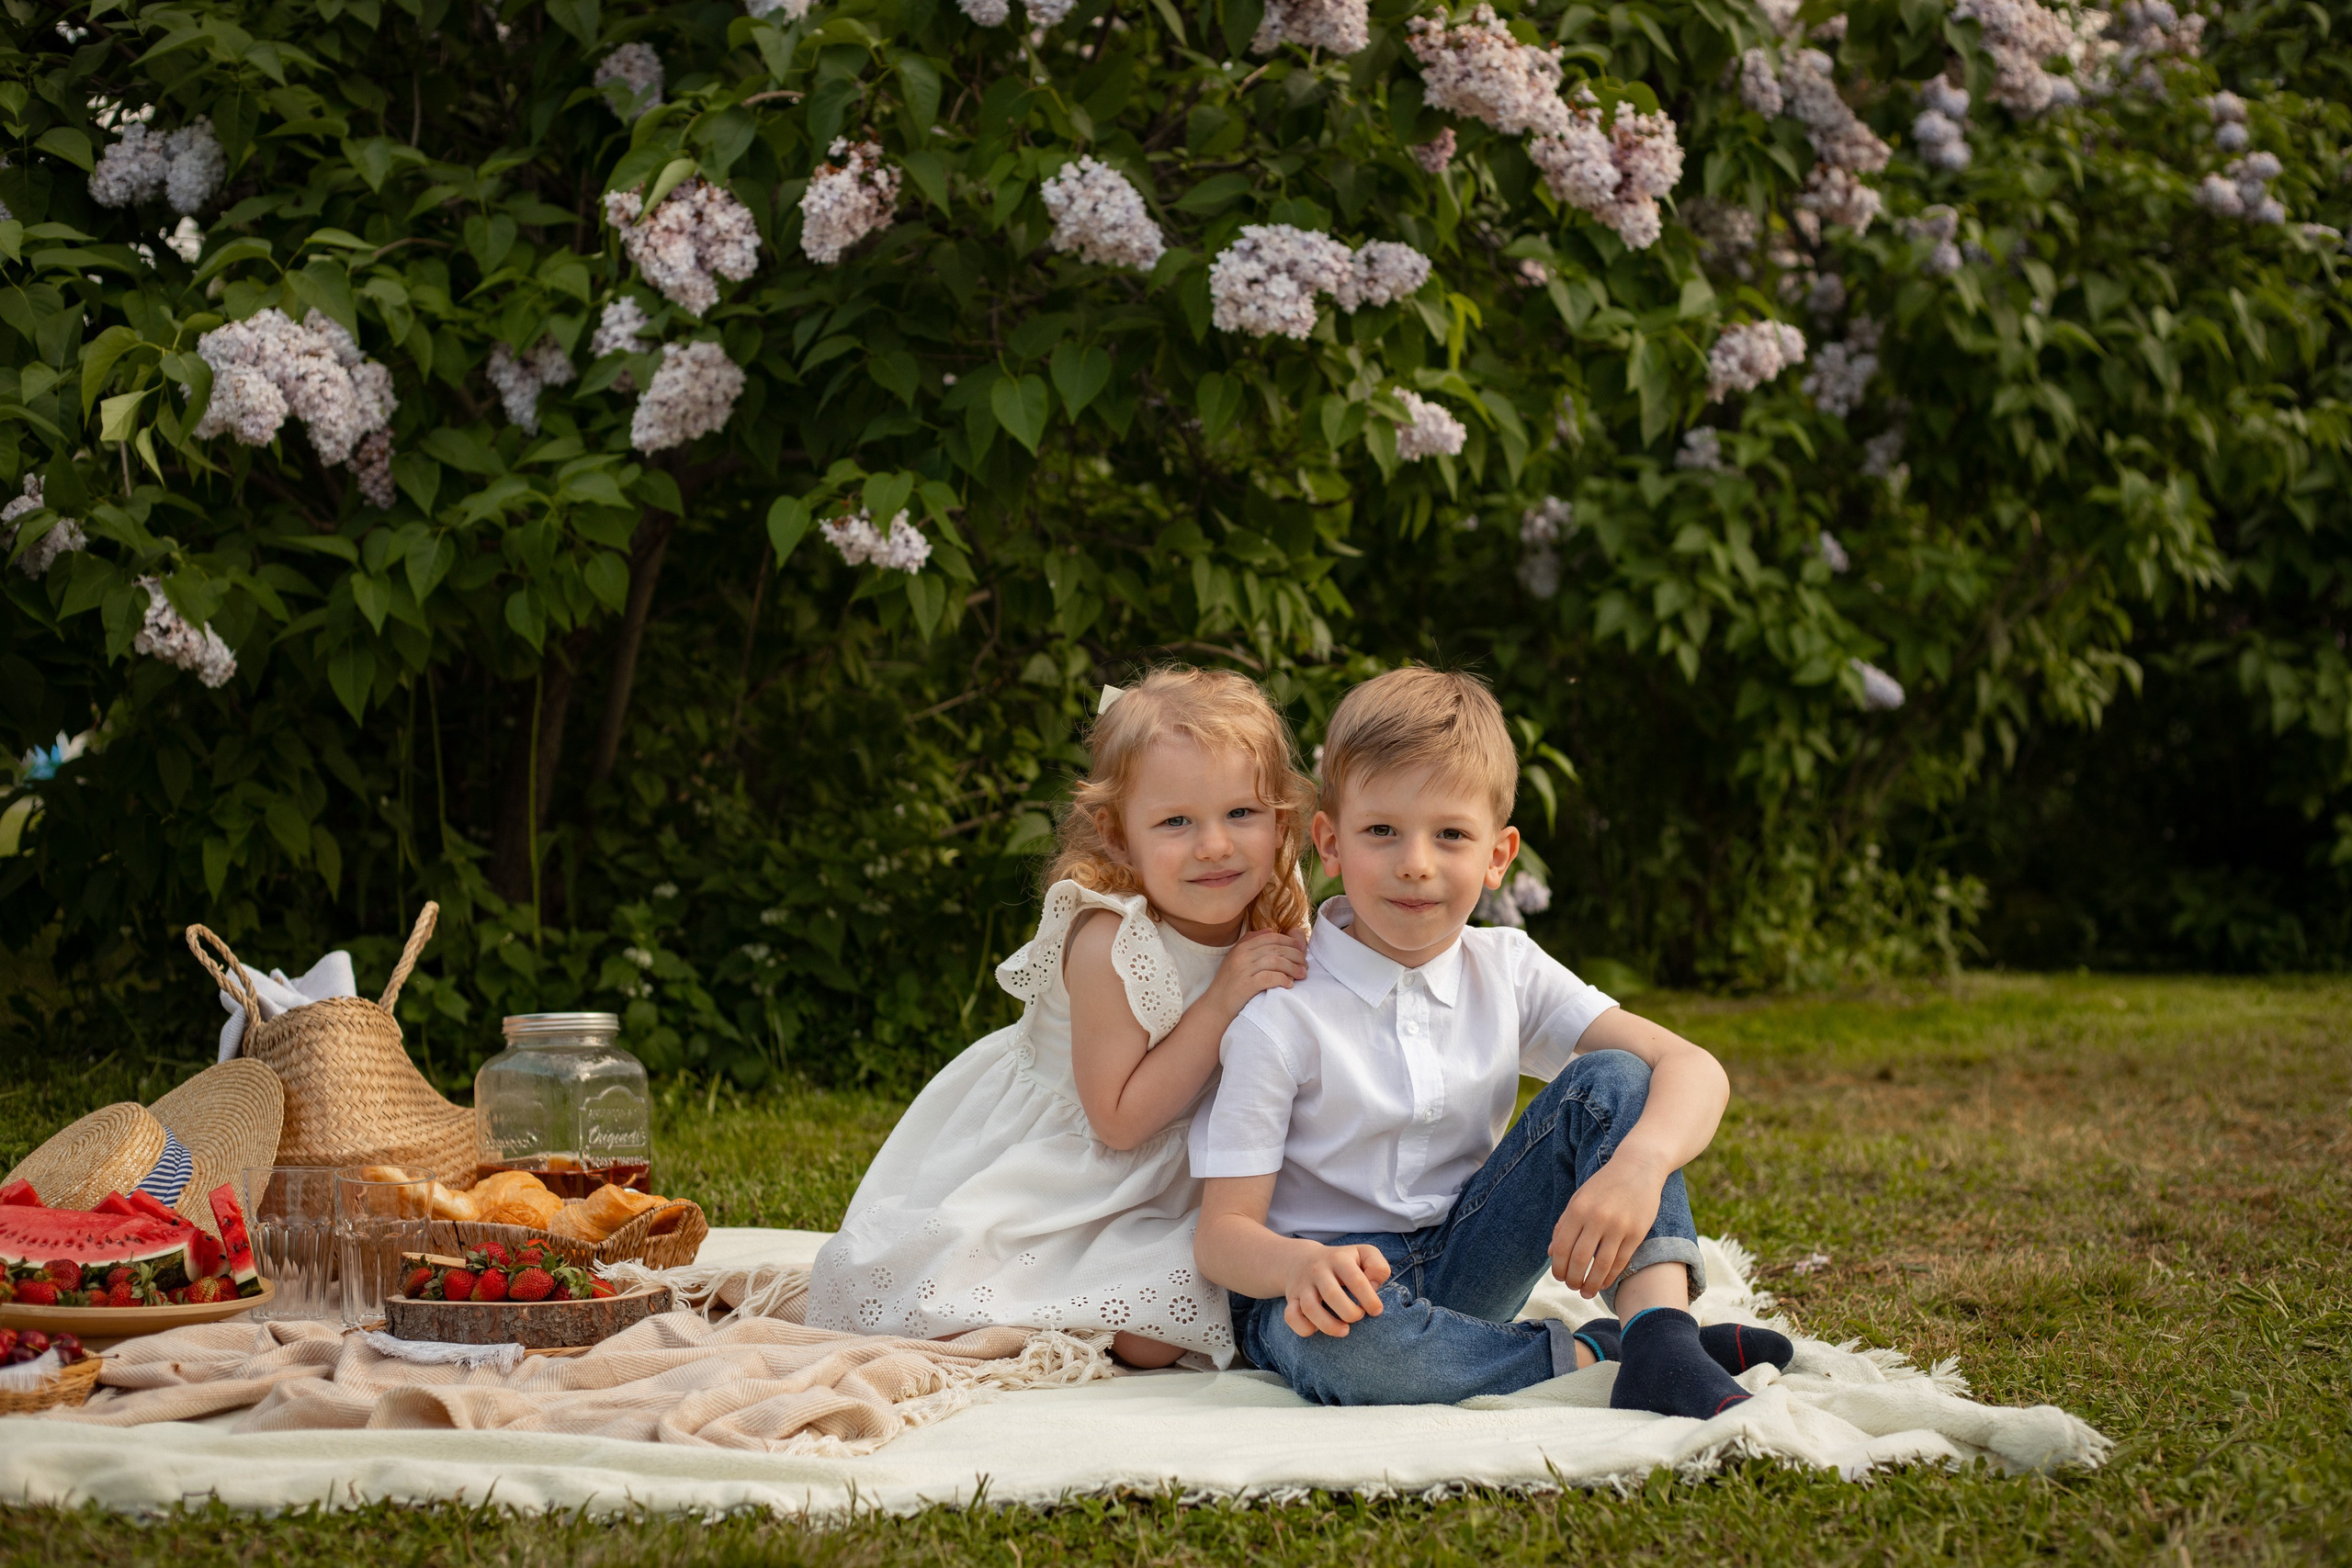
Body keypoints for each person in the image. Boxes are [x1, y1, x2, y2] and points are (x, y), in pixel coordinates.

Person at [1191, 666, 1791, 1413]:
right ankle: (1602, 1350)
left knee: (1620, 1078)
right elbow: (1222, 1235)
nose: (1416, 861)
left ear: (1499, 855)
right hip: (1326, 1287)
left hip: (1475, 1252)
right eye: (1382, 830)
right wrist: (1299, 1266)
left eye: (1451, 835)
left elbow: (1692, 1066)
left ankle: (1663, 1335)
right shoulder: (1282, 1010)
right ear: (1330, 842)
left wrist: (1640, 1164)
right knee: (1332, 1344)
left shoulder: (1505, 966)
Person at [808, 668, 1315, 1368]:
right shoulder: (1111, 940)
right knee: (957, 1296)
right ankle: (1031, 1308)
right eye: (1176, 821)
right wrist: (1223, 998)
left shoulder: (1273, 913)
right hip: (1068, 1167)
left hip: (1175, 1179)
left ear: (1281, 819)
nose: (1215, 846)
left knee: (1165, 1328)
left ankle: (1093, 1304)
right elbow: (1117, 1120)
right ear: (1115, 836)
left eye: (1241, 814)